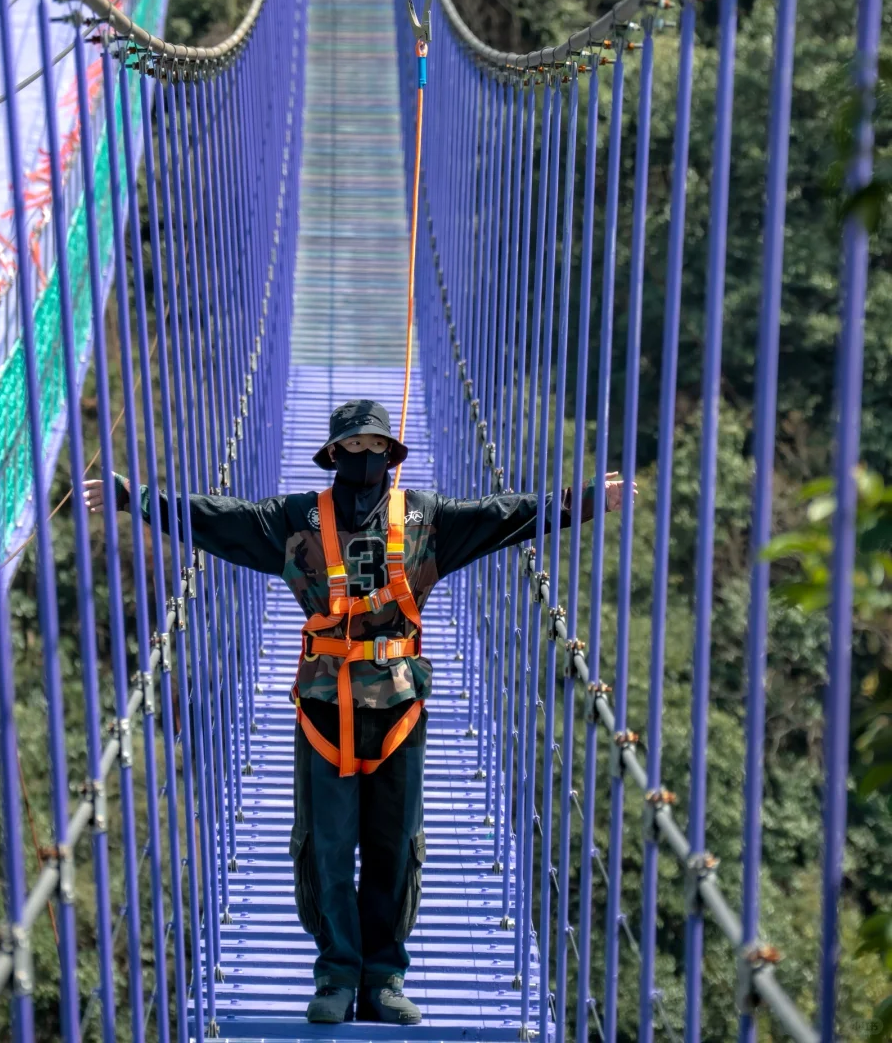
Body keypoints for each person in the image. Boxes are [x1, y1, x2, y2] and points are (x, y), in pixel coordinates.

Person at [83, 399, 629, 1026]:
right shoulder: (297, 519)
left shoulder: (427, 517)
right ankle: (338, 973)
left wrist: (584, 500)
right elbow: (216, 520)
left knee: (396, 844)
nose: (366, 458)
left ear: (391, 455)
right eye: (354, 448)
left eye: (377, 448)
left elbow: (506, 516)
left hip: (399, 701)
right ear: (335, 454)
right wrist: (137, 497)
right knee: (329, 844)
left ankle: (386, 975)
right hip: (324, 701)